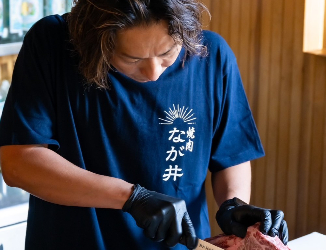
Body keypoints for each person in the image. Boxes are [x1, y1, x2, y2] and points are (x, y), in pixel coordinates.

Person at [0, 0, 288, 249]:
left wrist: (232, 206)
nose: (152, 73)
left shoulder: (211, 54)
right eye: (132, 58)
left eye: (167, 54)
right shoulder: (53, 45)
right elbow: (18, 163)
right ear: (97, 39)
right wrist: (131, 198)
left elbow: (230, 155)